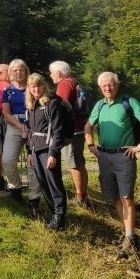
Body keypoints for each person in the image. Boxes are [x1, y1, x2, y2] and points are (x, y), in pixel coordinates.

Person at [85, 72, 140, 258]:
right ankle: (127, 234)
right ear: (100, 88)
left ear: (117, 85)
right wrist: (91, 145)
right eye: (104, 86)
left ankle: (130, 236)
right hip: (105, 157)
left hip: (124, 156)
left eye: (111, 85)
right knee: (115, 197)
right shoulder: (100, 105)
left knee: (127, 197)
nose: (108, 89)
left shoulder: (129, 102)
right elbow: (88, 126)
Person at [25, 73, 69, 230]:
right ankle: (53, 213)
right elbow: (29, 130)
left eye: (39, 86)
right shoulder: (32, 106)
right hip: (36, 149)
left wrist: (53, 153)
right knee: (43, 182)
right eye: (32, 86)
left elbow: (58, 131)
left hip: (48, 149)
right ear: (29, 89)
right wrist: (29, 151)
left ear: (44, 86)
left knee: (54, 182)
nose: (36, 89)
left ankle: (60, 216)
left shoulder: (51, 104)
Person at [1, 59, 41, 216]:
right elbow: (6, 112)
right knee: (8, 160)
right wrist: (20, 126)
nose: (18, 73)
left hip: (34, 126)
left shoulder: (32, 88)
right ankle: (15, 189)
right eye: (15, 70)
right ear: (11, 72)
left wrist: (30, 127)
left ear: (26, 71)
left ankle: (34, 198)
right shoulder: (8, 90)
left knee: (33, 163)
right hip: (15, 125)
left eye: (21, 70)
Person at [49, 60, 89, 207]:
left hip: (71, 131)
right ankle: (83, 195)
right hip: (79, 127)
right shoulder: (75, 81)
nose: (50, 75)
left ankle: (80, 198)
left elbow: (61, 106)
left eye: (52, 72)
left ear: (58, 73)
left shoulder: (64, 84)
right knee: (79, 162)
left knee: (74, 163)